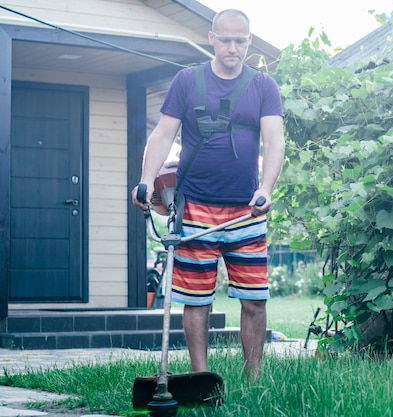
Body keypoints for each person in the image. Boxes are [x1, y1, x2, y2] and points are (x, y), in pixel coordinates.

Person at [131, 9, 285, 380]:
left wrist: (265, 189)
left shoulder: (263, 86)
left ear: (249, 41)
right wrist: (146, 180)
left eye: (240, 41)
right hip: (195, 206)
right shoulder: (187, 81)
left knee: (255, 299)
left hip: (246, 212)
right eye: (226, 39)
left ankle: (254, 380)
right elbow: (163, 134)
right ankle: (201, 380)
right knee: (195, 300)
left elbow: (274, 140)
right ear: (212, 38)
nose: (233, 48)